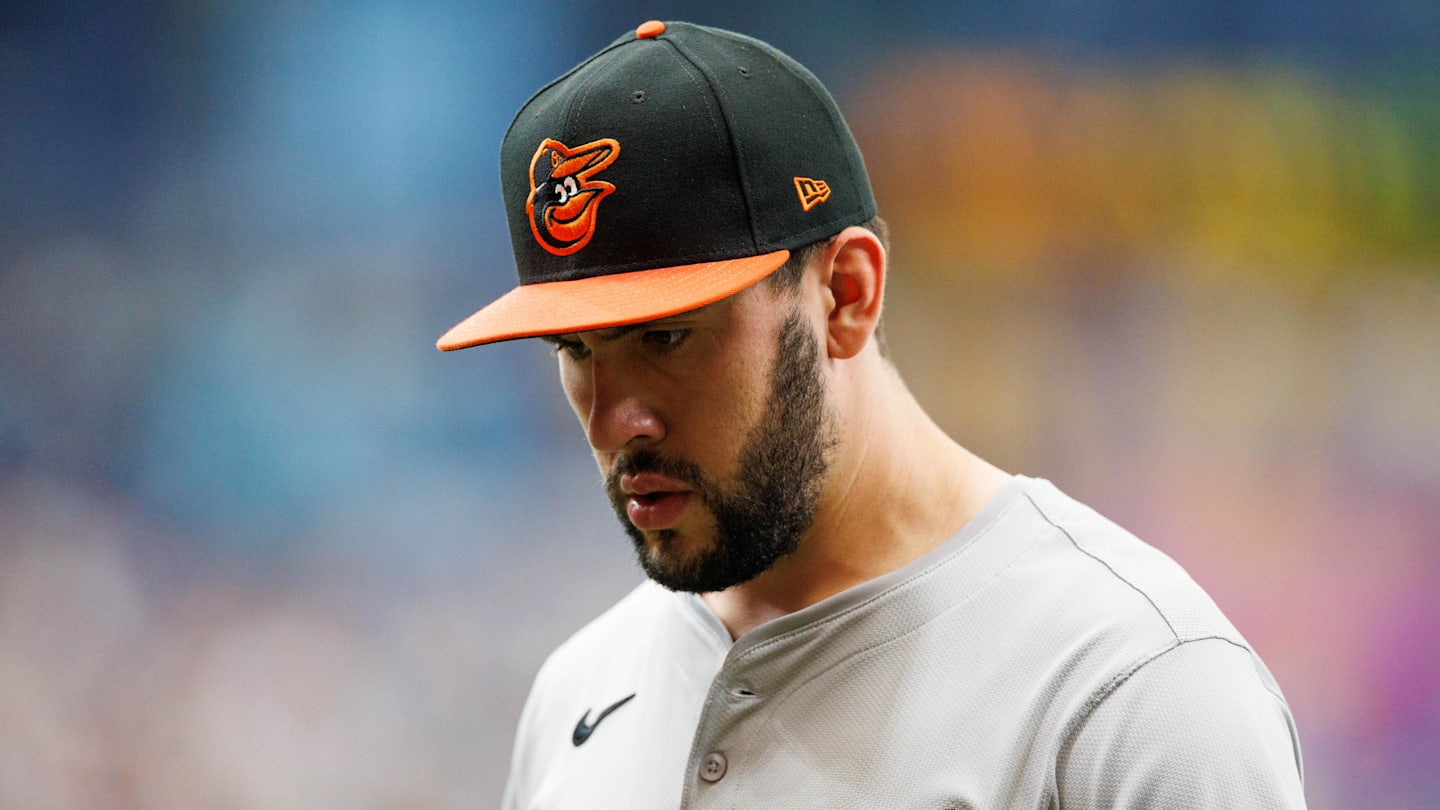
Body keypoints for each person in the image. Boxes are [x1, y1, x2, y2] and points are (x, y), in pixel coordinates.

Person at [437, 20, 1306, 809]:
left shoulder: (1132, 691)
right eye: (576, 352)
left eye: (666, 337)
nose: (614, 420)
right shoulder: (578, 690)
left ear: (846, 295)